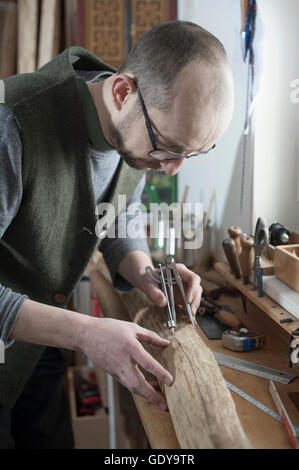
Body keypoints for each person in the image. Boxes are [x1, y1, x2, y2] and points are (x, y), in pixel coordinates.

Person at [0, 20, 234, 448]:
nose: (170, 168)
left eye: (190, 154)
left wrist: (146, 273)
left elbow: (119, 216)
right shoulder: (12, 122)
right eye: (168, 148)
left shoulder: (136, 128)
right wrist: (86, 332)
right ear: (123, 92)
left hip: (38, 347)